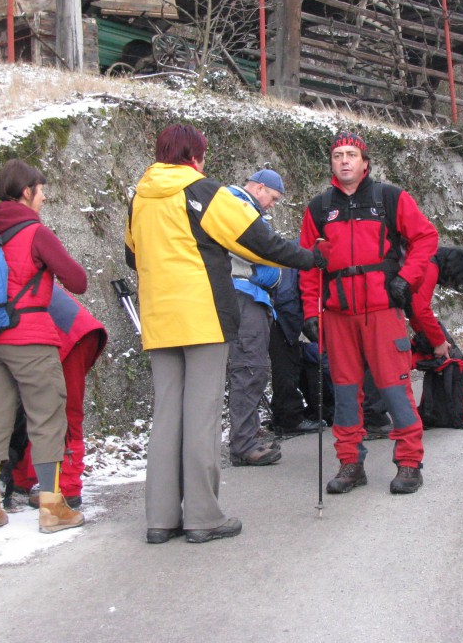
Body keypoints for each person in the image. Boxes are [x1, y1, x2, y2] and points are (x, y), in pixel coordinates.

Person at [125, 124, 326, 544]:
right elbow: (258, 242)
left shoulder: (140, 198)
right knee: (200, 416)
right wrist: (311, 258)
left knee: (167, 417)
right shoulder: (202, 191)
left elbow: (132, 255)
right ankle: (202, 516)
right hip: (202, 315)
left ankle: (160, 519)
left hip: (159, 318)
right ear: (195, 156)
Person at [299, 131, 438, 495]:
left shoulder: (389, 198)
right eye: (337, 155)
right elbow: (309, 264)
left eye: (351, 154)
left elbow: (425, 238)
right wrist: (310, 311)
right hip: (337, 316)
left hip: (382, 312)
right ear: (331, 163)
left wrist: (407, 280)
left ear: (365, 162)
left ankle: (409, 463)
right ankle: (350, 464)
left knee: (395, 391)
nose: (344, 160)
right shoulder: (318, 208)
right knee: (344, 394)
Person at [0, 159, 87, 535]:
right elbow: (78, 280)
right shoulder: (35, 232)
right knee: (46, 417)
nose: (45, 196)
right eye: (41, 190)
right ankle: (53, 507)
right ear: (26, 192)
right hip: (30, 337)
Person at [12, 285, 108, 509]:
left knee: (65, 413)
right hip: (67, 331)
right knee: (34, 407)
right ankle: (25, 477)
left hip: (69, 335)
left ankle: (67, 488)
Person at [225, 169, 296, 465]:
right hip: (244, 298)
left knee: (246, 371)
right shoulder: (239, 209)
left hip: (241, 297)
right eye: (273, 198)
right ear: (259, 187)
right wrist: (270, 272)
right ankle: (244, 445)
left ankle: (245, 439)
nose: (272, 205)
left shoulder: (233, 206)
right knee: (249, 370)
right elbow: (265, 267)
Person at [267, 265, 323, 435]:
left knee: (286, 365)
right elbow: (287, 294)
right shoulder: (301, 257)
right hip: (281, 315)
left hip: (276, 311)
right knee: (286, 366)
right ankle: (290, 420)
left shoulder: (293, 252)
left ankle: (283, 416)